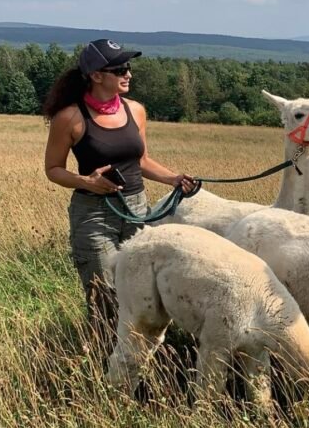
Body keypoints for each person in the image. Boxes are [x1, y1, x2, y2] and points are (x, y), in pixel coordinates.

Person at [43, 39, 195, 349]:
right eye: (120, 68)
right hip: (94, 215)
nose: (128, 73)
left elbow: (140, 160)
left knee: (141, 291)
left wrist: (174, 178)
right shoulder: (70, 118)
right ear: (96, 75)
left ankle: (139, 356)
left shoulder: (136, 110)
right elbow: (53, 169)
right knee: (104, 295)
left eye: (128, 67)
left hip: (137, 210)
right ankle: (104, 365)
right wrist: (88, 181)